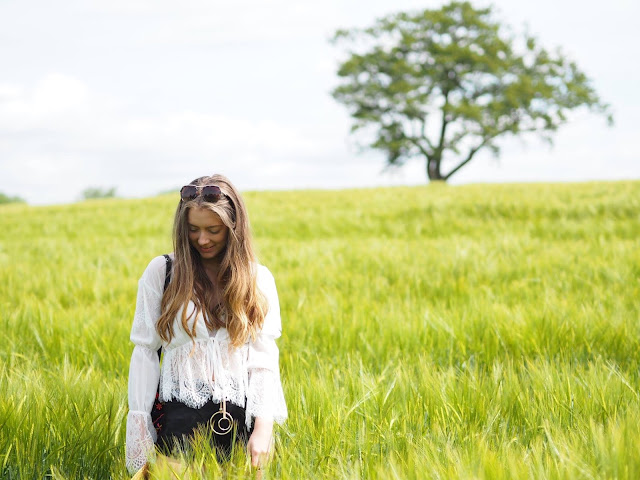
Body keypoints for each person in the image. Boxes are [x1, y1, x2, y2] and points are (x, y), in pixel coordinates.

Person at [125, 174, 287, 476]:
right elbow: (144, 352)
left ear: (234, 227)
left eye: (214, 230)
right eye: (193, 229)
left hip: (240, 426)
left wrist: (264, 428)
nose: (202, 240)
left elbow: (263, 359)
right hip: (178, 424)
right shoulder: (163, 272)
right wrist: (139, 425)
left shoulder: (256, 278)